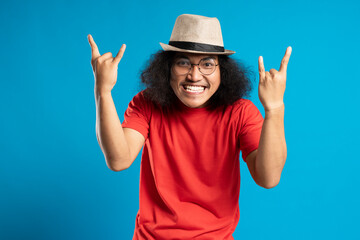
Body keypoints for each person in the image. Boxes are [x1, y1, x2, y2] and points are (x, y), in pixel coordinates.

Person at [88, 14, 291, 240]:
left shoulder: (239, 112)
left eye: (207, 64)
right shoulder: (147, 103)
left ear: (222, 71)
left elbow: (268, 178)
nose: (194, 76)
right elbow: (118, 159)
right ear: (167, 68)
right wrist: (103, 93)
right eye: (183, 62)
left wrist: (275, 109)